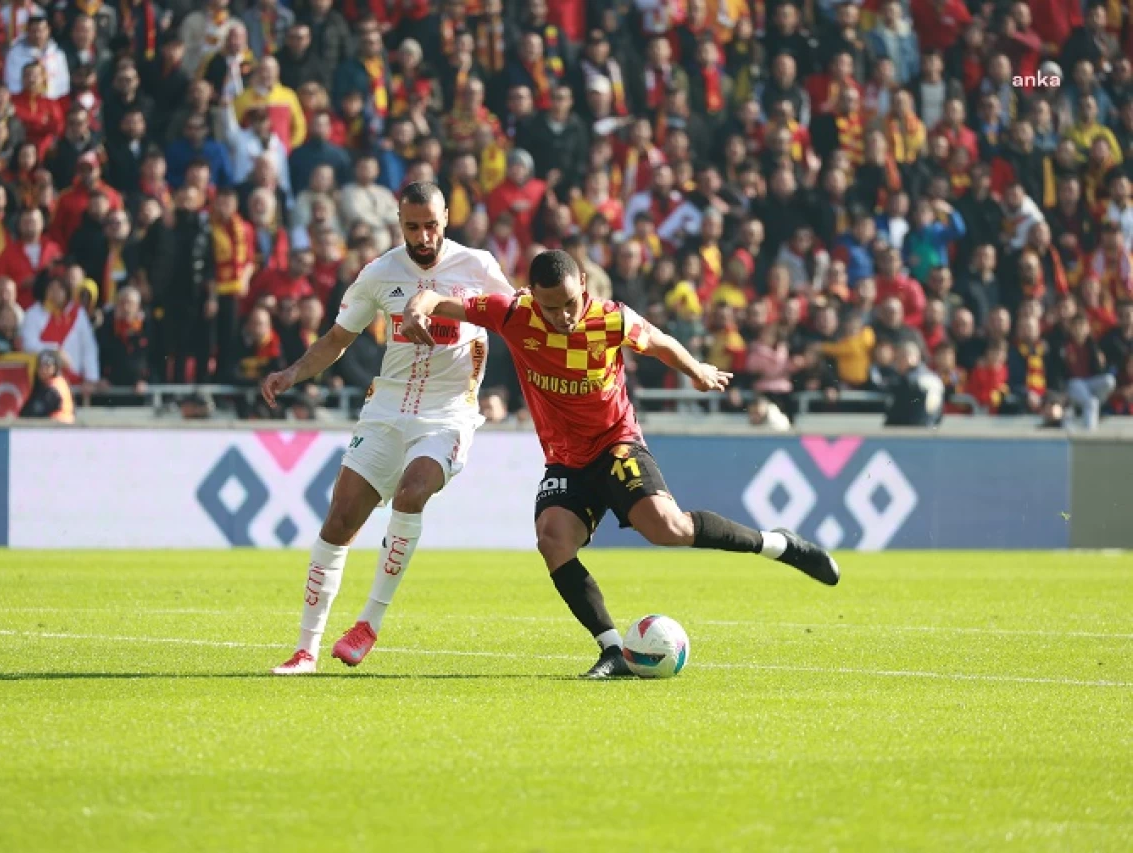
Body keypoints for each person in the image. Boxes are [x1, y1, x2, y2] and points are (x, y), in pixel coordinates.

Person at [400, 250, 840, 679]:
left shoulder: (612, 318)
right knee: (553, 539)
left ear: (583, 285)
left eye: (570, 303)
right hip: (566, 461)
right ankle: (612, 650)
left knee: (668, 529)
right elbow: (437, 300)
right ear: (531, 295)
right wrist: (417, 309)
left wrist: (697, 370)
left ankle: (778, 544)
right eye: (551, 308)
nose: (564, 316)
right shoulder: (512, 314)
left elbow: (660, 343)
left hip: (616, 444)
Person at [265, 182, 516, 676]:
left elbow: (518, 321)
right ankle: (305, 650)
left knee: (412, 492)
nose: (423, 237)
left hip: (448, 413)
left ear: (446, 218)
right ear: (399, 222)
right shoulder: (379, 273)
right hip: (385, 411)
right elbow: (338, 338)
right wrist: (292, 373)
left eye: (431, 226)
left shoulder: (478, 266)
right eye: (412, 227)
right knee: (340, 520)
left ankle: (368, 624)